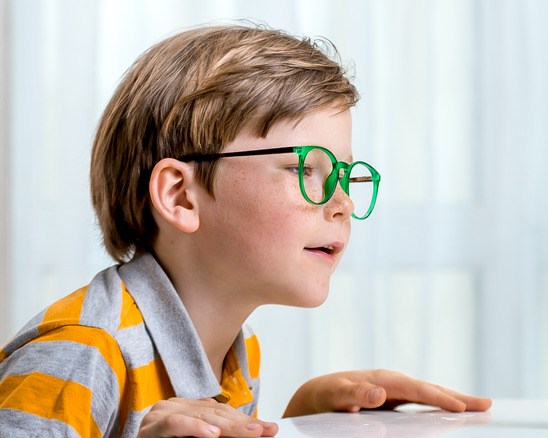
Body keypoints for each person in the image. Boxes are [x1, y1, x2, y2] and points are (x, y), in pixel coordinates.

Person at [0, 23, 491, 437]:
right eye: (306, 170)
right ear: (180, 196)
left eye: (345, 175)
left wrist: (300, 419)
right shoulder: (79, 352)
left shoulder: (238, 348)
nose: (341, 203)